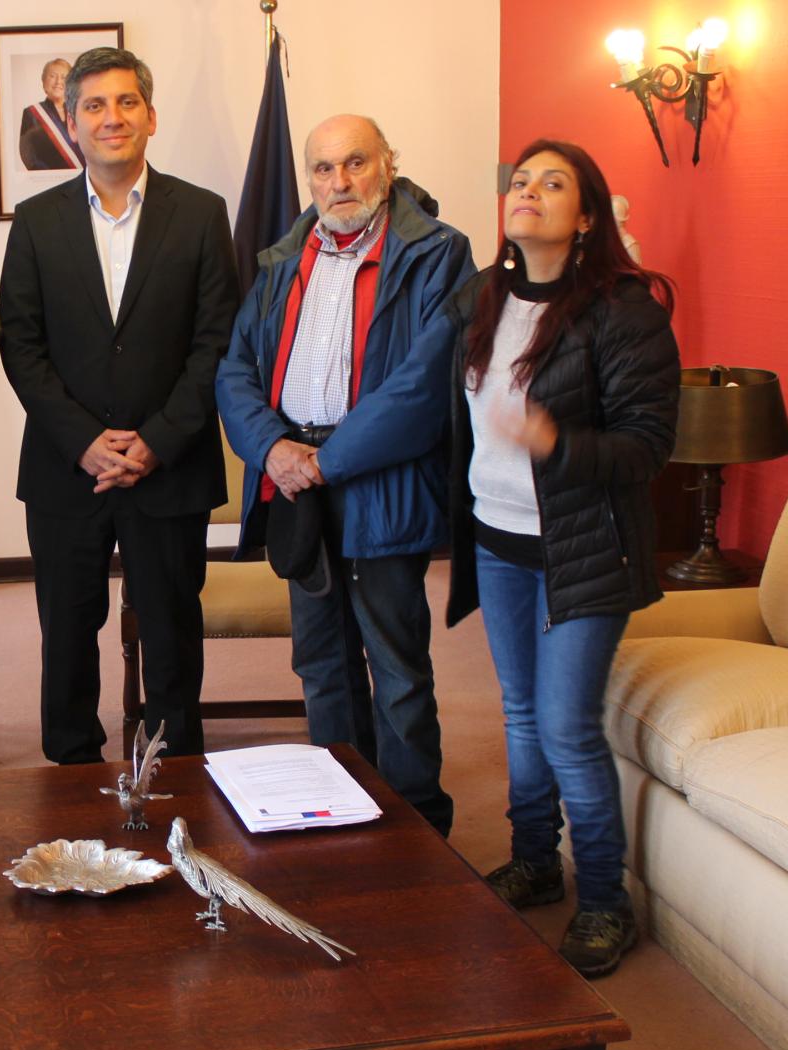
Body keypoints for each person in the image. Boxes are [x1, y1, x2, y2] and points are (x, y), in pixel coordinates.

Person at [444, 138, 679, 979]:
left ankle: (605, 902)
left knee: (568, 727)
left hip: (583, 549)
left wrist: (556, 442)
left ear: (586, 218)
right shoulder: (486, 295)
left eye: (553, 184)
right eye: (519, 181)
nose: (529, 193)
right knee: (516, 710)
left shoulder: (625, 310)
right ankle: (535, 860)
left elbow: (650, 448)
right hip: (497, 539)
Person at [216, 116, 473, 836]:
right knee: (321, 662)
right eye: (323, 169)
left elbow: (424, 385)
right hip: (296, 479)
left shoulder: (436, 255)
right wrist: (272, 450)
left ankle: (419, 828)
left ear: (387, 165)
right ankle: (345, 816)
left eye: (355, 163)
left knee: (395, 667)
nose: (339, 182)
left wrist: (328, 460)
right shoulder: (282, 259)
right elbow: (236, 369)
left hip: (376, 478)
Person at [0, 47, 238, 764]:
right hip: (66, 469)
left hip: (169, 466)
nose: (112, 118)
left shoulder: (200, 214)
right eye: (95, 106)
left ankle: (173, 764)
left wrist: (155, 442)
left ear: (151, 116)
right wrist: (84, 441)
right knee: (67, 631)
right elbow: (22, 344)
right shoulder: (37, 222)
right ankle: (72, 765)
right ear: (70, 123)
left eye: (127, 102)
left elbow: (215, 343)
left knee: (170, 630)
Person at [17, 58, 82, 171]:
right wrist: (51, 176)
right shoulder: (31, 113)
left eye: (64, 77)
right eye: (52, 76)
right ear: (44, 82)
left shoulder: (79, 111)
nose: (58, 81)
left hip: (78, 180)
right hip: (47, 180)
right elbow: (28, 154)